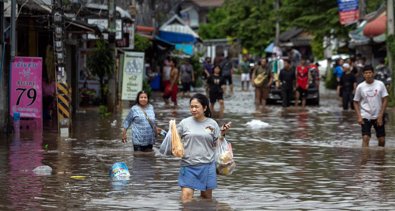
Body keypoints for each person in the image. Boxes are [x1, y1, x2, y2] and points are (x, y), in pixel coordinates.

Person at [176, 93, 231, 202]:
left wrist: (222, 133)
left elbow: (216, 145)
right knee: (186, 197)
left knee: (206, 200)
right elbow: (174, 139)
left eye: (196, 107)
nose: (193, 109)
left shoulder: (212, 124)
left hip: (207, 166)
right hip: (188, 165)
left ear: (205, 107)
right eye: (191, 107)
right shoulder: (184, 123)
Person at [353, 65, 389, 147]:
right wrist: (359, 116)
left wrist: (381, 115)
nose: (368, 75)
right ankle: (365, 157)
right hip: (365, 115)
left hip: (378, 115)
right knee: (365, 138)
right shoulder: (360, 86)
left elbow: (385, 99)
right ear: (363, 74)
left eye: (370, 72)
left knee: (382, 140)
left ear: (373, 73)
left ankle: (380, 157)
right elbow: (355, 101)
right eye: (366, 73)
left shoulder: (380, 84)